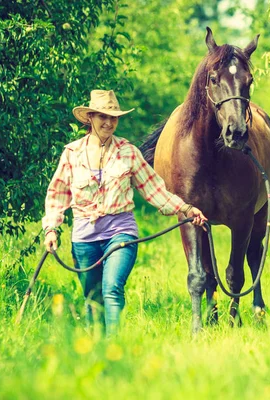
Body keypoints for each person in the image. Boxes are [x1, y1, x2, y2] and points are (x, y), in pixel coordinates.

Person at [42, 89, 207, 336]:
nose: (108, 123)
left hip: (120, 232)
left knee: (111, 288)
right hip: (84, 237)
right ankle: (95, 348)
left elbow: (154, 190)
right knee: (93, 297)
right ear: (90, 118)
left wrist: (186, 208)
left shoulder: (128, 152)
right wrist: (51, 229)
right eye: (102, 117)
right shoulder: (72, 153)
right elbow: (57, 194)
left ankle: (113, 345)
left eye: (113, 118)